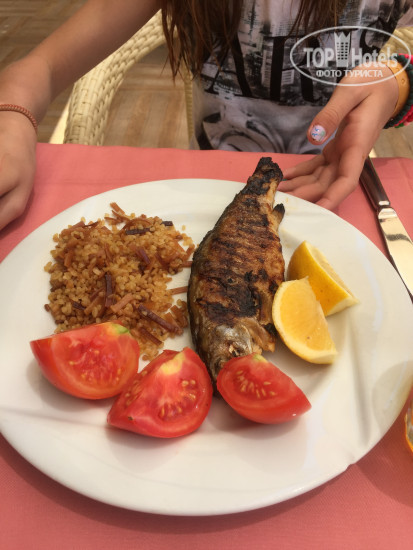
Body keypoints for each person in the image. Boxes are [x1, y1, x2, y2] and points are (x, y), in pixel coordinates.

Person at [0, 0, 412, 231]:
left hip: (340, 190)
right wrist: (14, 111)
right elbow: (41, 68)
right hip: (209, 191)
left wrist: (399, 83)